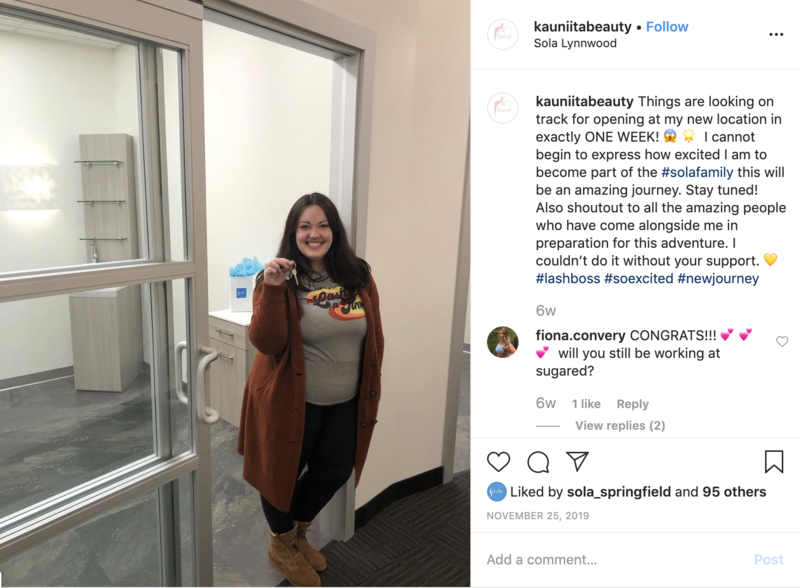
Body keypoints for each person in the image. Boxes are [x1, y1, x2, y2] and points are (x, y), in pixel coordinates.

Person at [237, 193, 384, 587]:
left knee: (335, 470)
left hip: (345, 402)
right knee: (279, 475)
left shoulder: (358, 275)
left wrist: (371, 386)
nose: (314, 234)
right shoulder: (278, 279)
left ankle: (295, 535)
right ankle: (283, 544)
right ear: (293, 233)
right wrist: (271, 289)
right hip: (291, 402)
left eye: (322, 225)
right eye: (305, 226)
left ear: (335, 231)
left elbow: (375, 335)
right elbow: (267, 342)